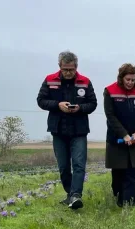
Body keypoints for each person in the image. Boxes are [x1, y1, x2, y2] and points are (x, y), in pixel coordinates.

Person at [37, 50, 97, 210]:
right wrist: (57, 105)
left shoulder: (85, 81)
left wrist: (79, 108)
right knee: (63, 166)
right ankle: (70, 194)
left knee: (78, 164)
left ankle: (76, 195)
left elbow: (93, 104)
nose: (69, 72)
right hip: (58, 130)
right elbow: (41, 101)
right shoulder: (50, 80)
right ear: (60, 66)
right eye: (65, 69)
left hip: (79, 130)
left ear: (76, 67)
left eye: (71, 69)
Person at [103, 63, 135, 207]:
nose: (130, 82)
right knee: (118, 173)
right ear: (121, 78)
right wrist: (124, 135)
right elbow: (110, 116)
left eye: (133, 80)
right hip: (116, 139)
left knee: (131, 172)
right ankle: (118, 196)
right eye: (127, 79)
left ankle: (129, 203)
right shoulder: (110, 91)